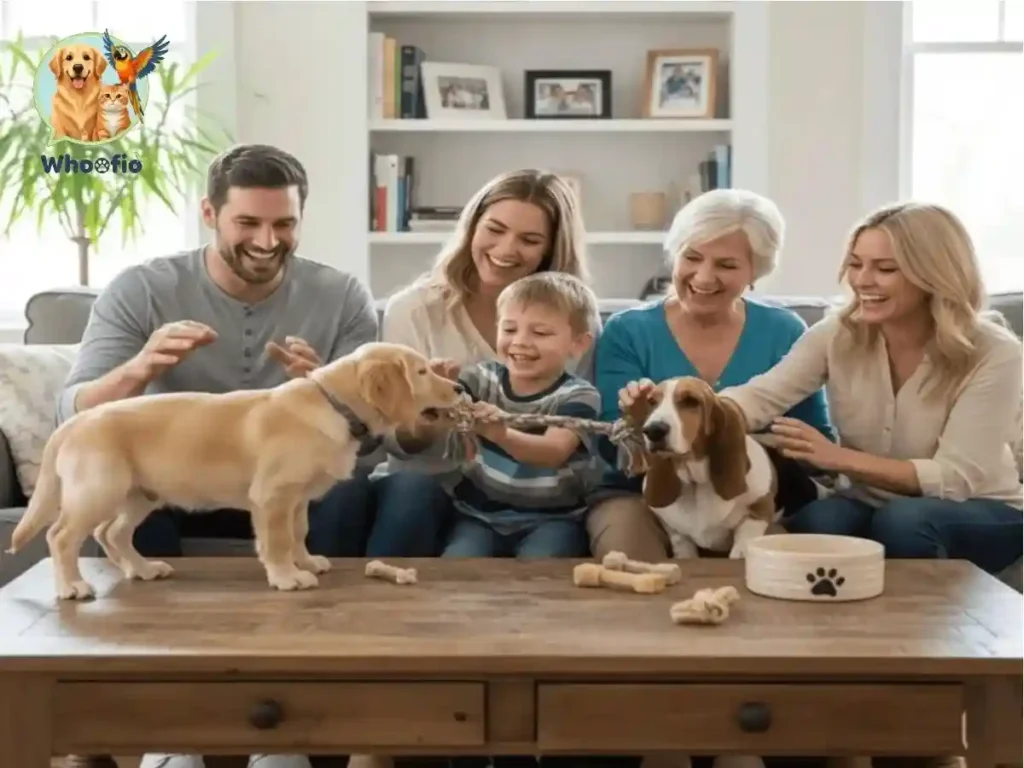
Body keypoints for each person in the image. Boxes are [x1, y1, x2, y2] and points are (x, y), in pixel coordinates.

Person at [57, 144, 376, 768]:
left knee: (353, 496)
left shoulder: (340, 295)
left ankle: (298, 733)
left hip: (286, 486)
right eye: (248, 224)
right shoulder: (143, 289)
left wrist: (339, 400)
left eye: (283, 224)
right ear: (210, 213)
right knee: (124, 525)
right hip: (176, 483)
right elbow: (75, 411)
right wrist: (139, 368)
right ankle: (168, 734)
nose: (266, 240)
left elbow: (380, 429)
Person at [719, 201, 1023, 575]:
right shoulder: (838, 333)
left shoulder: (996, 353)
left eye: (885, 268)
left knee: (905, 523)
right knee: (818, 524)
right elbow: (761, 396)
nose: (862, 280)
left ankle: (924, 632)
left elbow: (954, 478)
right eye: (856, 263)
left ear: (932, 275)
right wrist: (680, 412)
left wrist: (837, 458)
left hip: (983, 506)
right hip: (872, 500)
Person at [588, 188, 834, 562]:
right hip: (645, 494)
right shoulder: (628, 331)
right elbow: (610, 451)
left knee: (774, 567)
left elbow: (813, 445)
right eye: (692, 257)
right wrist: (633, 420)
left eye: (727, 265)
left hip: (748, 493)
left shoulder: (783, 331)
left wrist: (733, 449)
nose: (703, 276)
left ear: (756, 271)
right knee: (629, 557)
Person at [374, 168, 597, 559]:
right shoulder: (413, 311)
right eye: (495, 229)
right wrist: (427, 416)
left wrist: (503, 434)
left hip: (538, 500)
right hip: (434, 487)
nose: (507, 249)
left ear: (549, 250)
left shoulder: (576, 325)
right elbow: (395, 439)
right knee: (413, 492)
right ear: (471, 227)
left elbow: (570, 439)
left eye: (529, 240)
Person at [428, 272, 602, 559]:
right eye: (509, 330)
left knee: (538, 575)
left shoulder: (579, 395)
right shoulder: (482, 378)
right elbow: (442, 416)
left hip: (552, 521)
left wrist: (502, 435)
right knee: (457, 568)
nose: (520, 342)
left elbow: (555, 451)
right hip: (477, 515)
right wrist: (435, 387)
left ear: (578, 344)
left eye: (541, 333)